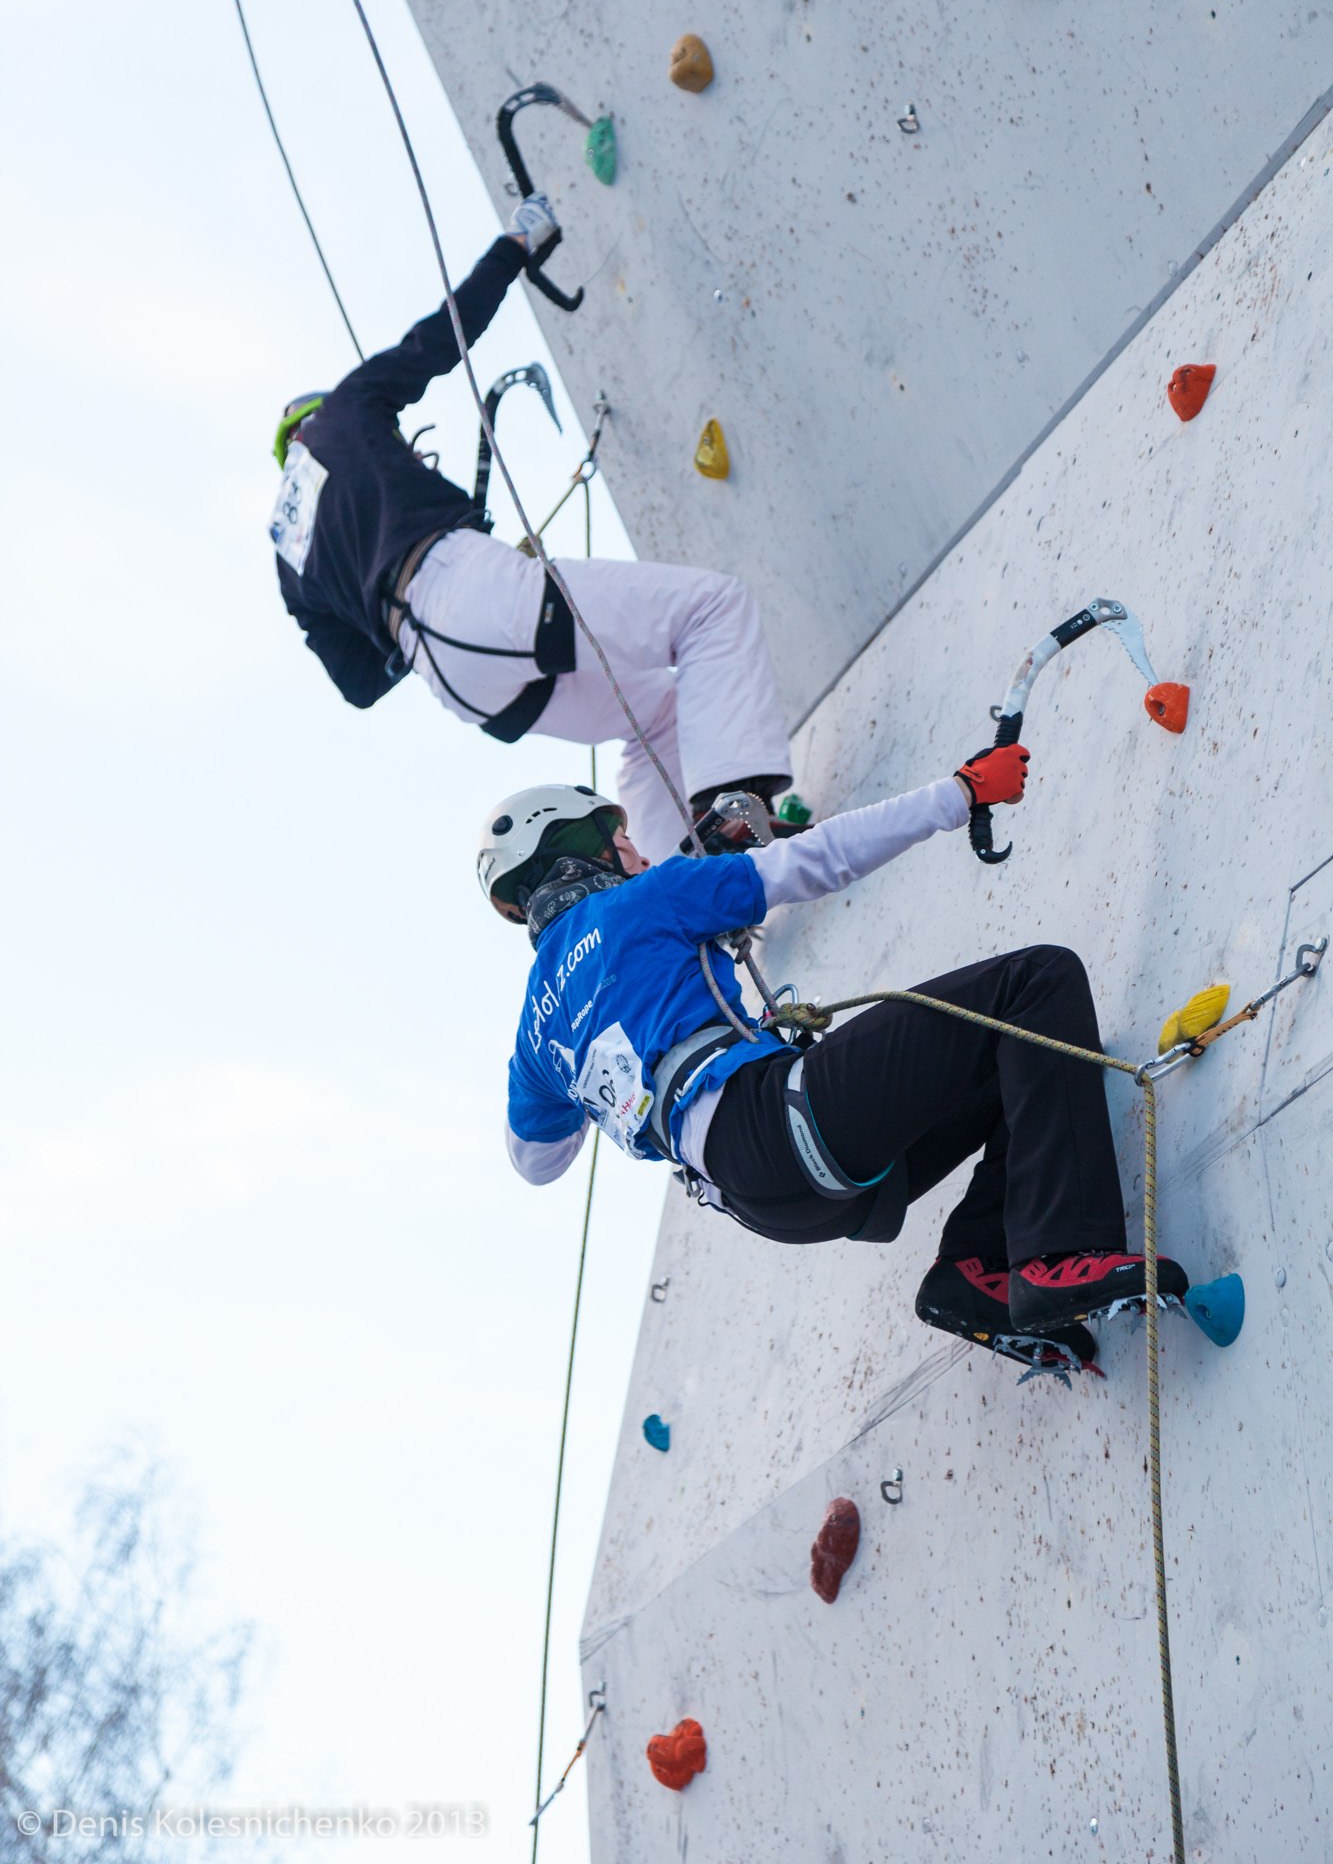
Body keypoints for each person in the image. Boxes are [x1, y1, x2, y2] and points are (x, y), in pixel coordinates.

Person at [481, 744, 1188, 1380]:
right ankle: (1055, 1258)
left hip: (766, 1200)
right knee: (1035, 985)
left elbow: (536, 1161)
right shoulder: (645, 901)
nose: (636, 853)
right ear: (578, 854)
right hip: (775, 1120)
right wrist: (959, 794)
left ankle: (975, 1273)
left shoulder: (533, 1033)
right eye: (624, 841)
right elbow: (812, 860)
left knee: (1014, 1055)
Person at [266, 200, 793, 867]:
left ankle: (677, 887)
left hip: (454, 678)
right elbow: (439, 338)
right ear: (309, 424)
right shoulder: (342, 414)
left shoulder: (289, 558)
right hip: (468, 589)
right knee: (711, 609)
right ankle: (736, 806)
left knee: (656, 718)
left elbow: (360, 685)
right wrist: (515, 243)